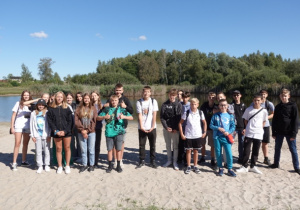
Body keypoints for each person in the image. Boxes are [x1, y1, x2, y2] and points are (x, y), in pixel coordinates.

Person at [98, 95, 133, 173]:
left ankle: (118, 165)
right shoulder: (107, 109)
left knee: (118, 150)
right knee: (110, 150)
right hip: (109, 132)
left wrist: (124, 117)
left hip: (119, 132)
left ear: (118, 101)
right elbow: (98, 117)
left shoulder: (122, 109)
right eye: (112, 100)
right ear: (110, 101)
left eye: (116, 100)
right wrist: (104, 117)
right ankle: (110, 166)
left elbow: (131, 117)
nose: (114, 102)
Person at [269, 88, 300, 175]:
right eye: (282, 96)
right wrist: (274, 132)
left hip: (290, 132)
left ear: (288, 96)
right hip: (279, 132)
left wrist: (294, 133)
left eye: (285, 96)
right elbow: (274, 120)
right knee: (277, 148)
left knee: (293, 149)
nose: (284, 97)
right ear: (280, 96)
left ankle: (297, 167)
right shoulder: (278, 107)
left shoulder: (293, 106)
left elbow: (295, 121)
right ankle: (276, 163)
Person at [236, 94, 268, 174]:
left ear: (261, 101)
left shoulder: (264, 111)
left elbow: (264, 121)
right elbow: (245, 120)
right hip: (249, 133)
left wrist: (260, 128)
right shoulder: (248, 109)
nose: (256, 102)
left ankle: (253, 166)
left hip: (259, 133)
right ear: (253, 100)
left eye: (258, 100)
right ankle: (244, 166)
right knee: (246, 150)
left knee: (256, 150)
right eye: (255, 100)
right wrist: (248, 128)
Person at [10, 90, 39, 171]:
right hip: (18, 126)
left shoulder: (32, 105)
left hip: (28, 127)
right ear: (22, 96)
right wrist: (12, 127)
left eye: (27, 95)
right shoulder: (18, 103)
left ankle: (24, 161)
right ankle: (14, 162)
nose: (26, 96)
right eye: (24, 95)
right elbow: (13, 115)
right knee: (17, 143)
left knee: (25, 144)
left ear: (29, 96)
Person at [47, 91, 73, 174]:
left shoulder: (67, 107)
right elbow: (50, 121)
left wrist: (65, 131)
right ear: (55, 97)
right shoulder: (51, 108)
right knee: (58, 149)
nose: (59, 98)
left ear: (63, 98)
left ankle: (67, 165)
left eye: (61, 97)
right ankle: (60, 166)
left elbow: (70, 121)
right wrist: (55, 130)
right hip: (56, 132)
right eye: (58, 97)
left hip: (66, 132)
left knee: (67, 148)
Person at [179, 98, 207, 174]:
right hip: (188, 135)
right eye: (192, 104)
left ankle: (195, 166)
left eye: (195, 104)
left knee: (196, 151)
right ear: (190, 104)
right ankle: (188, 166)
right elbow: (180, 123)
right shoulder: (187, 112)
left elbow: (204, 123)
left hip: (197, 135)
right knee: (188, 151)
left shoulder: (200, 113)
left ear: (198, 105)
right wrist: (182, 134)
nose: (193, 106)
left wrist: (204, 132)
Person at [210, 99, 236, 177]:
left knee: (229, 153)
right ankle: (220, 168)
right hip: (217, 137)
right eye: (221, 105)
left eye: (224, 105)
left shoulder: (230, 116)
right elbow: (211, 125)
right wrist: (218, 128)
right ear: (219, 106)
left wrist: (229, 132)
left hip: (226, 137)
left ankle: (230, 169)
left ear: (227, 106)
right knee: (218, 153)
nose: (223, 107)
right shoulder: (215, 115)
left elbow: (233, 126)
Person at [136, 86, 159, 169]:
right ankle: (141, 160)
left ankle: (152, 161)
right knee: (142, 145)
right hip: (142, 127)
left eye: (148, 91)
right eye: (145, 91)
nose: (146, 93)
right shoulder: (139, 102)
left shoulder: (153, 101)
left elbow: (154, 114)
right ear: (142, 93)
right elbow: (139, 115)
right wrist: (142, 127)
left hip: (152, 127)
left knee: (152, 145)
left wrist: (153, 126)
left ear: (150, 93)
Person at [160, 88, 182, 170]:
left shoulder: (179, 104)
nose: (172, 97)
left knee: (175, 146)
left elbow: (180, 118)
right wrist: (166, 127)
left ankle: (175, 162)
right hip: (167, 129)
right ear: (168, 95)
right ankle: (169, 160)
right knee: (168, 145)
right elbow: (162, 118)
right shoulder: (164, 104)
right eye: (170, 95)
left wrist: (176, 128)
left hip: (176, 130)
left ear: (176, 96)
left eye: (173, 95)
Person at [75, 93, 97, 173]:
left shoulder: (93, 109)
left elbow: (94, 121)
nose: (86, 100)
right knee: (83, 150)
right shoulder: (78, 109)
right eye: (85, 98)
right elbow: (76, 121)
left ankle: (91, 164)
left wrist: (87, 130)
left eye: (88, 98)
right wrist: (82, 130)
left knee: (91, 149)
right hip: (81, 132)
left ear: (90, 99)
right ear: (83, 99)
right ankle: (84, 164)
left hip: (91, 132)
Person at [30, 99, 51, 173]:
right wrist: (32, 135)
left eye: (42, 105)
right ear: (37, 105)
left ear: (45, 106)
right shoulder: (33, 113)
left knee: (46, 150)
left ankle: (47, 165)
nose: (41, 106)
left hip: (45, 134)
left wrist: (49, 135)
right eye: (39, 105)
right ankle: (40, 165)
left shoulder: (47, 112)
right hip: (37, 134)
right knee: (38, 151)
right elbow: (31, 125)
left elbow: (49, 125)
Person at [200, 92, 217, 167]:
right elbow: (200, 115)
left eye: (213, 97)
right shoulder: (204, 105)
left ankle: (212, 159)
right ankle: (203, 157)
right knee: (202, 143)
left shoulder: (216, 106)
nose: (211, 99)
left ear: (215, 98)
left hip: (212, 128)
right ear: (208, 97)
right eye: (210, 97)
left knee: (212, 145)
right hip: (203, 127)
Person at [259, 89, 275, 165]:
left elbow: (273, 114)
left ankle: (266, 158)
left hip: (266, 125)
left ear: (267, 95)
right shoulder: (255, 103)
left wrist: (266, 118)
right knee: (256, 142)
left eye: (264, 94)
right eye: (262, 94)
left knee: (265, 142)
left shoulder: (269, 104)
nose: (263, 95)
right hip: (257, 126)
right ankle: (254, 157)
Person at [231, 90, 246, 164]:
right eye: (234, 95)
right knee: (230, 142)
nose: (236, 96)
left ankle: (241, 158)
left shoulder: (243, 105)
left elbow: (246, 118)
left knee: (241, 143)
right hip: (233, 128)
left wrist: (245, 128)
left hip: (242, 127)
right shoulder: (231, 105)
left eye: (237, 95)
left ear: (240, 95)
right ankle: (228, 157)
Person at [178, 91, 191, 164]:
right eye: (184, 97)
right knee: (180, 143)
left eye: (186, 97)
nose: (185, 99)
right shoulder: (180, 104)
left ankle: (186, 159)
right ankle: (180, 158)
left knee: (187, 144)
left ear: (188, 98)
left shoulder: (190, 105)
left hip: (188, 127)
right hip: (181, 126)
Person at [91, 91, 103, 167]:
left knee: (97, 145)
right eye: (92, 96)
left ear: (98, 96)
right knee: (91, 145)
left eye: (95, 95)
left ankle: (96, 161)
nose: (94, 97)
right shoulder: (89, 105)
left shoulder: (101, 106)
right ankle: (91, 160)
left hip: (98, 127)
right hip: (90, 128)